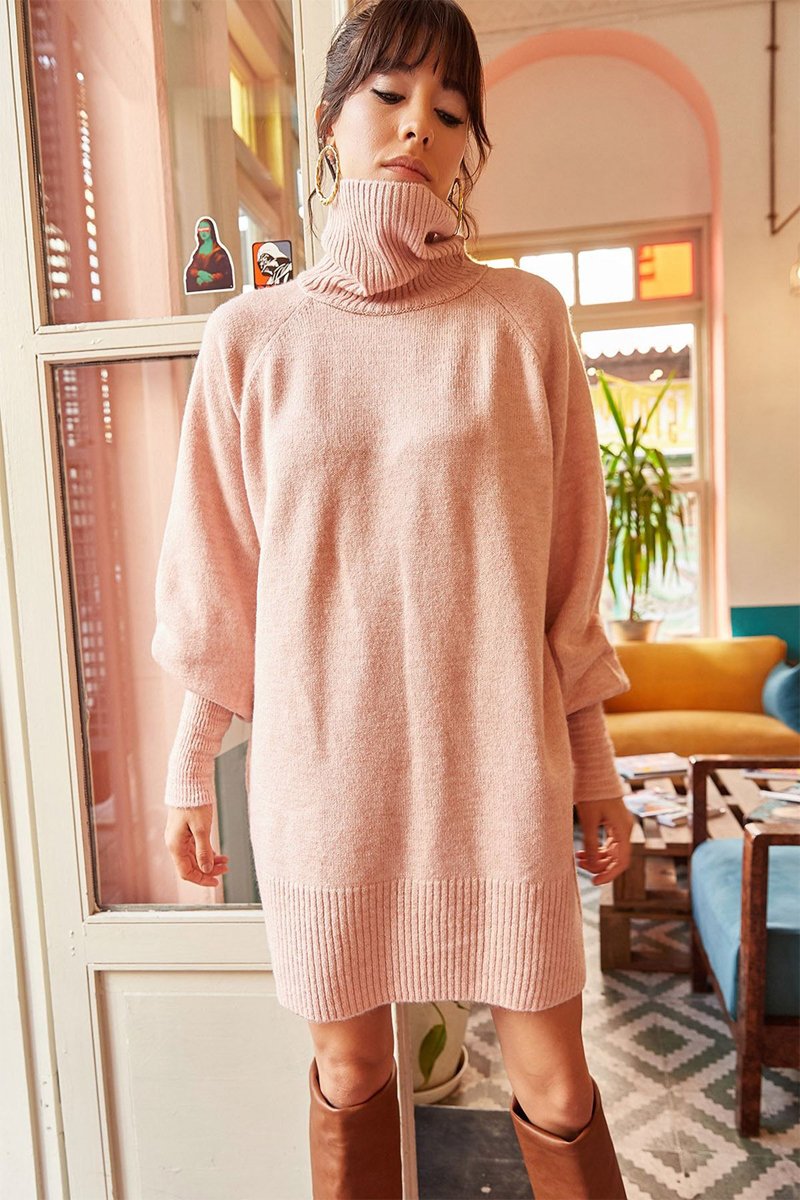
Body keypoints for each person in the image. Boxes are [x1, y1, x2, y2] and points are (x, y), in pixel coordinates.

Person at [151, 2, 636, 1196]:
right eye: (389, 95)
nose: (419, 125)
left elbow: (565, 574)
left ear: (468, 145)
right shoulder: (251, 338)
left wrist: (591, 761)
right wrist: (190, 764)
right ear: (329, 119)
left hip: (496, 770)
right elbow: (219, 573)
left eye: (451, 109)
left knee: (555, 1084)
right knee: (352, 1067)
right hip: (326, 777)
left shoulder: (522, 321)